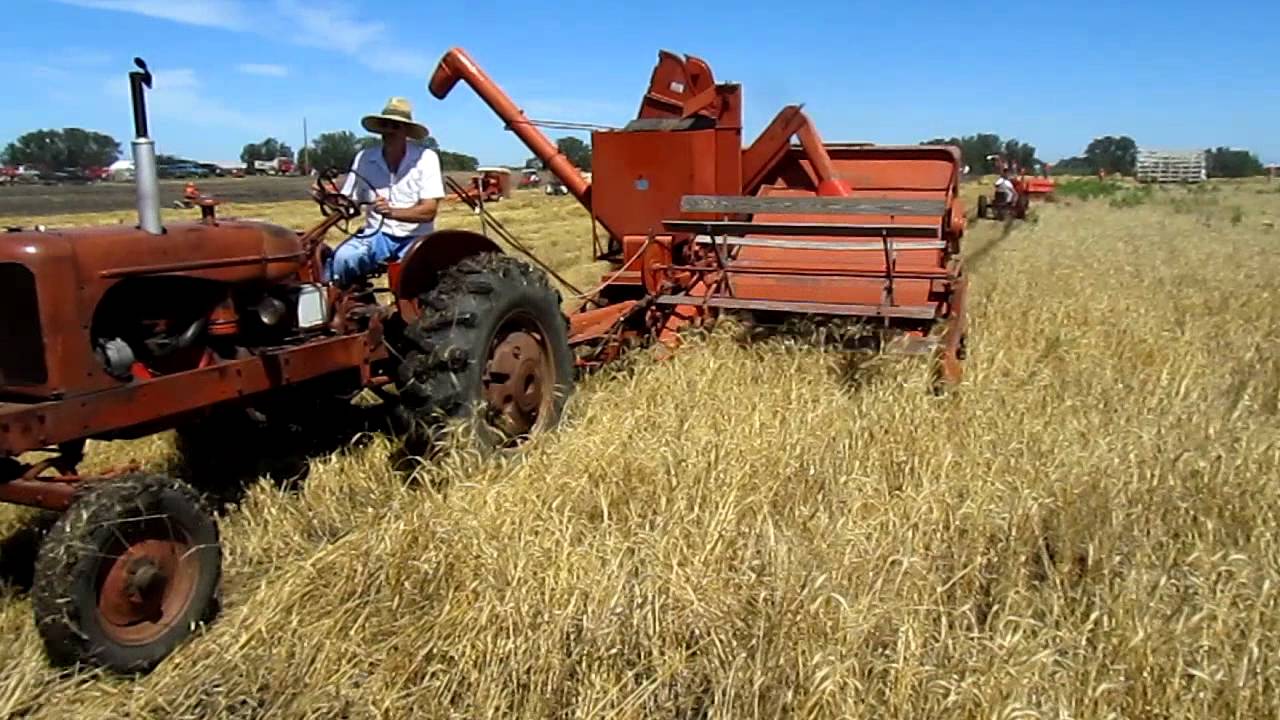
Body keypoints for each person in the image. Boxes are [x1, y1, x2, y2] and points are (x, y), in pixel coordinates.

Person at [327, 97, 445, 287]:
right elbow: (350, 202)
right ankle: (344, 303)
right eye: (385, 125)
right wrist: (329, 197)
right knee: (343, 259)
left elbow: (428, 211)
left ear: (406, 131)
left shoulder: (426, 158)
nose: (389, 131)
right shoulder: (365, 158)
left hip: (415, 237)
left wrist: (392, 212)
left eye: (395, 126)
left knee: (414, 283)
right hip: (377, 234)